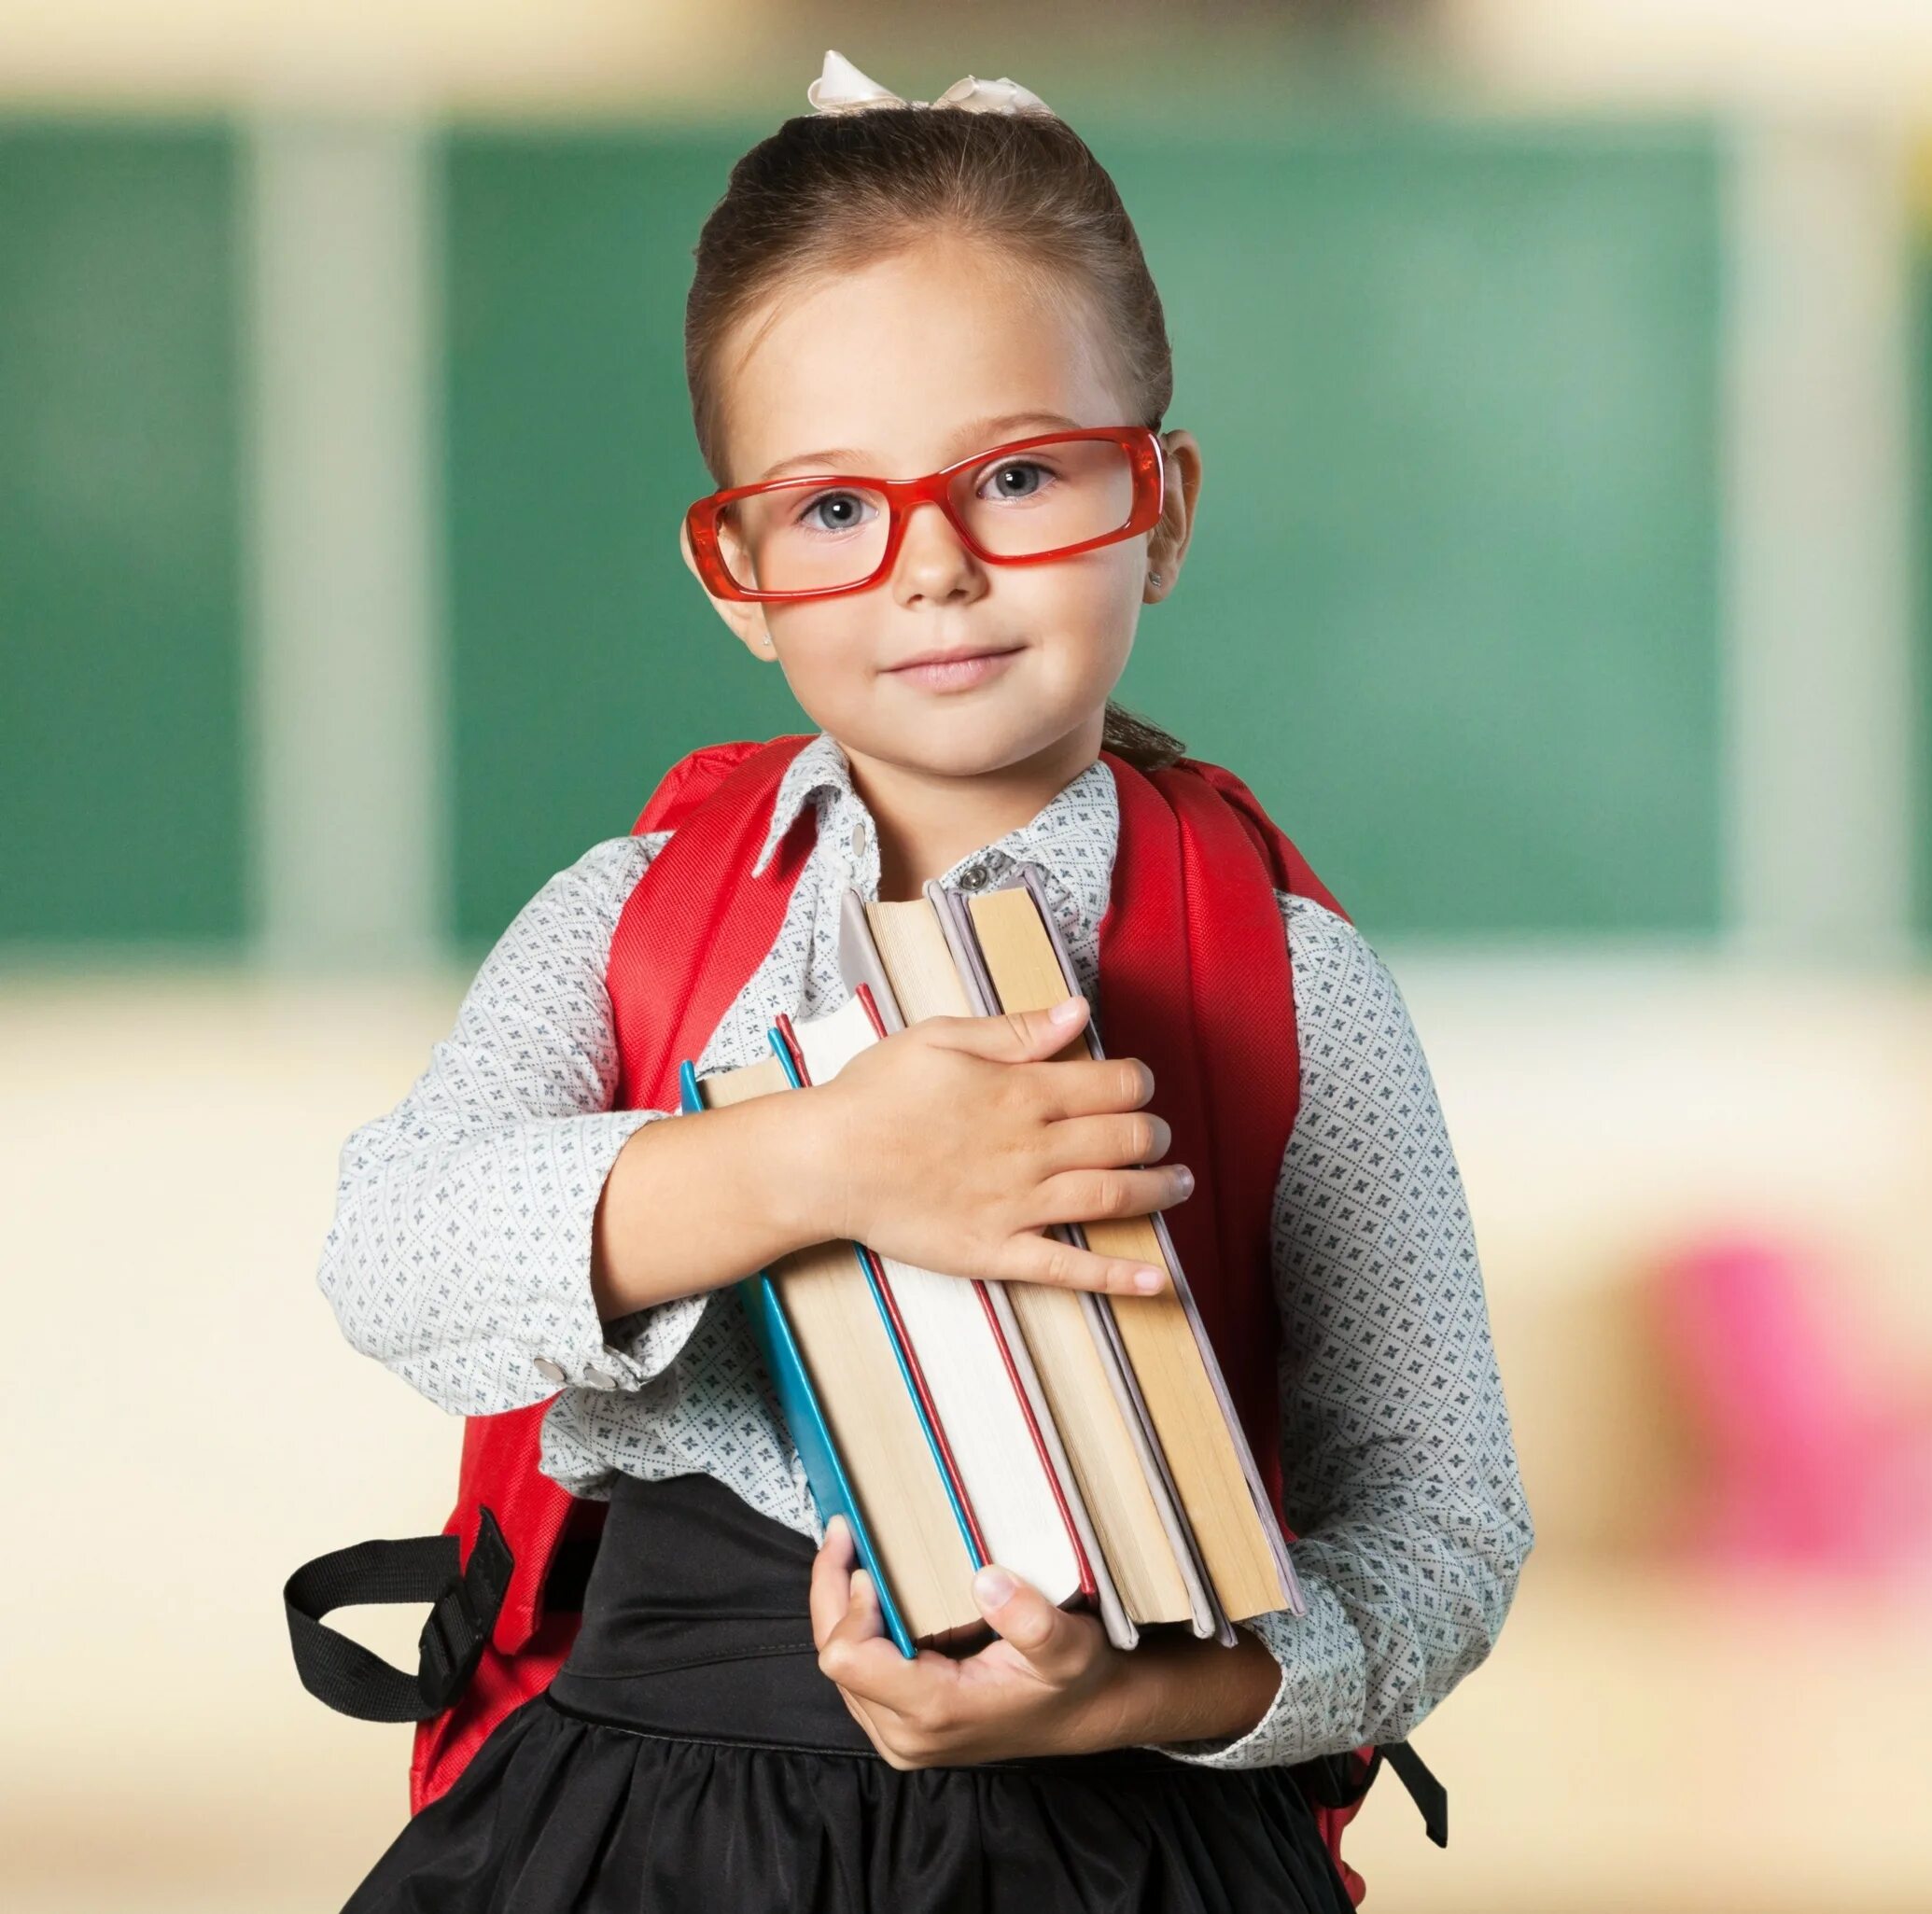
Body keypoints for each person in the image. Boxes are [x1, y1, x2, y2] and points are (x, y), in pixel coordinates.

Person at [314, 49, 1533, 1912]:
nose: (937, 569)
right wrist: (821, 1164)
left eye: (1024, 475)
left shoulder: (1290, 982)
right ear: (737, 573)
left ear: (1166, 505)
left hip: (1117, 1821)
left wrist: (1150, 1694)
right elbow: (391, 1255)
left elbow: (1446, 1524)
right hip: (640, 1832)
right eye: (830, 511)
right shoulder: (635, 915)